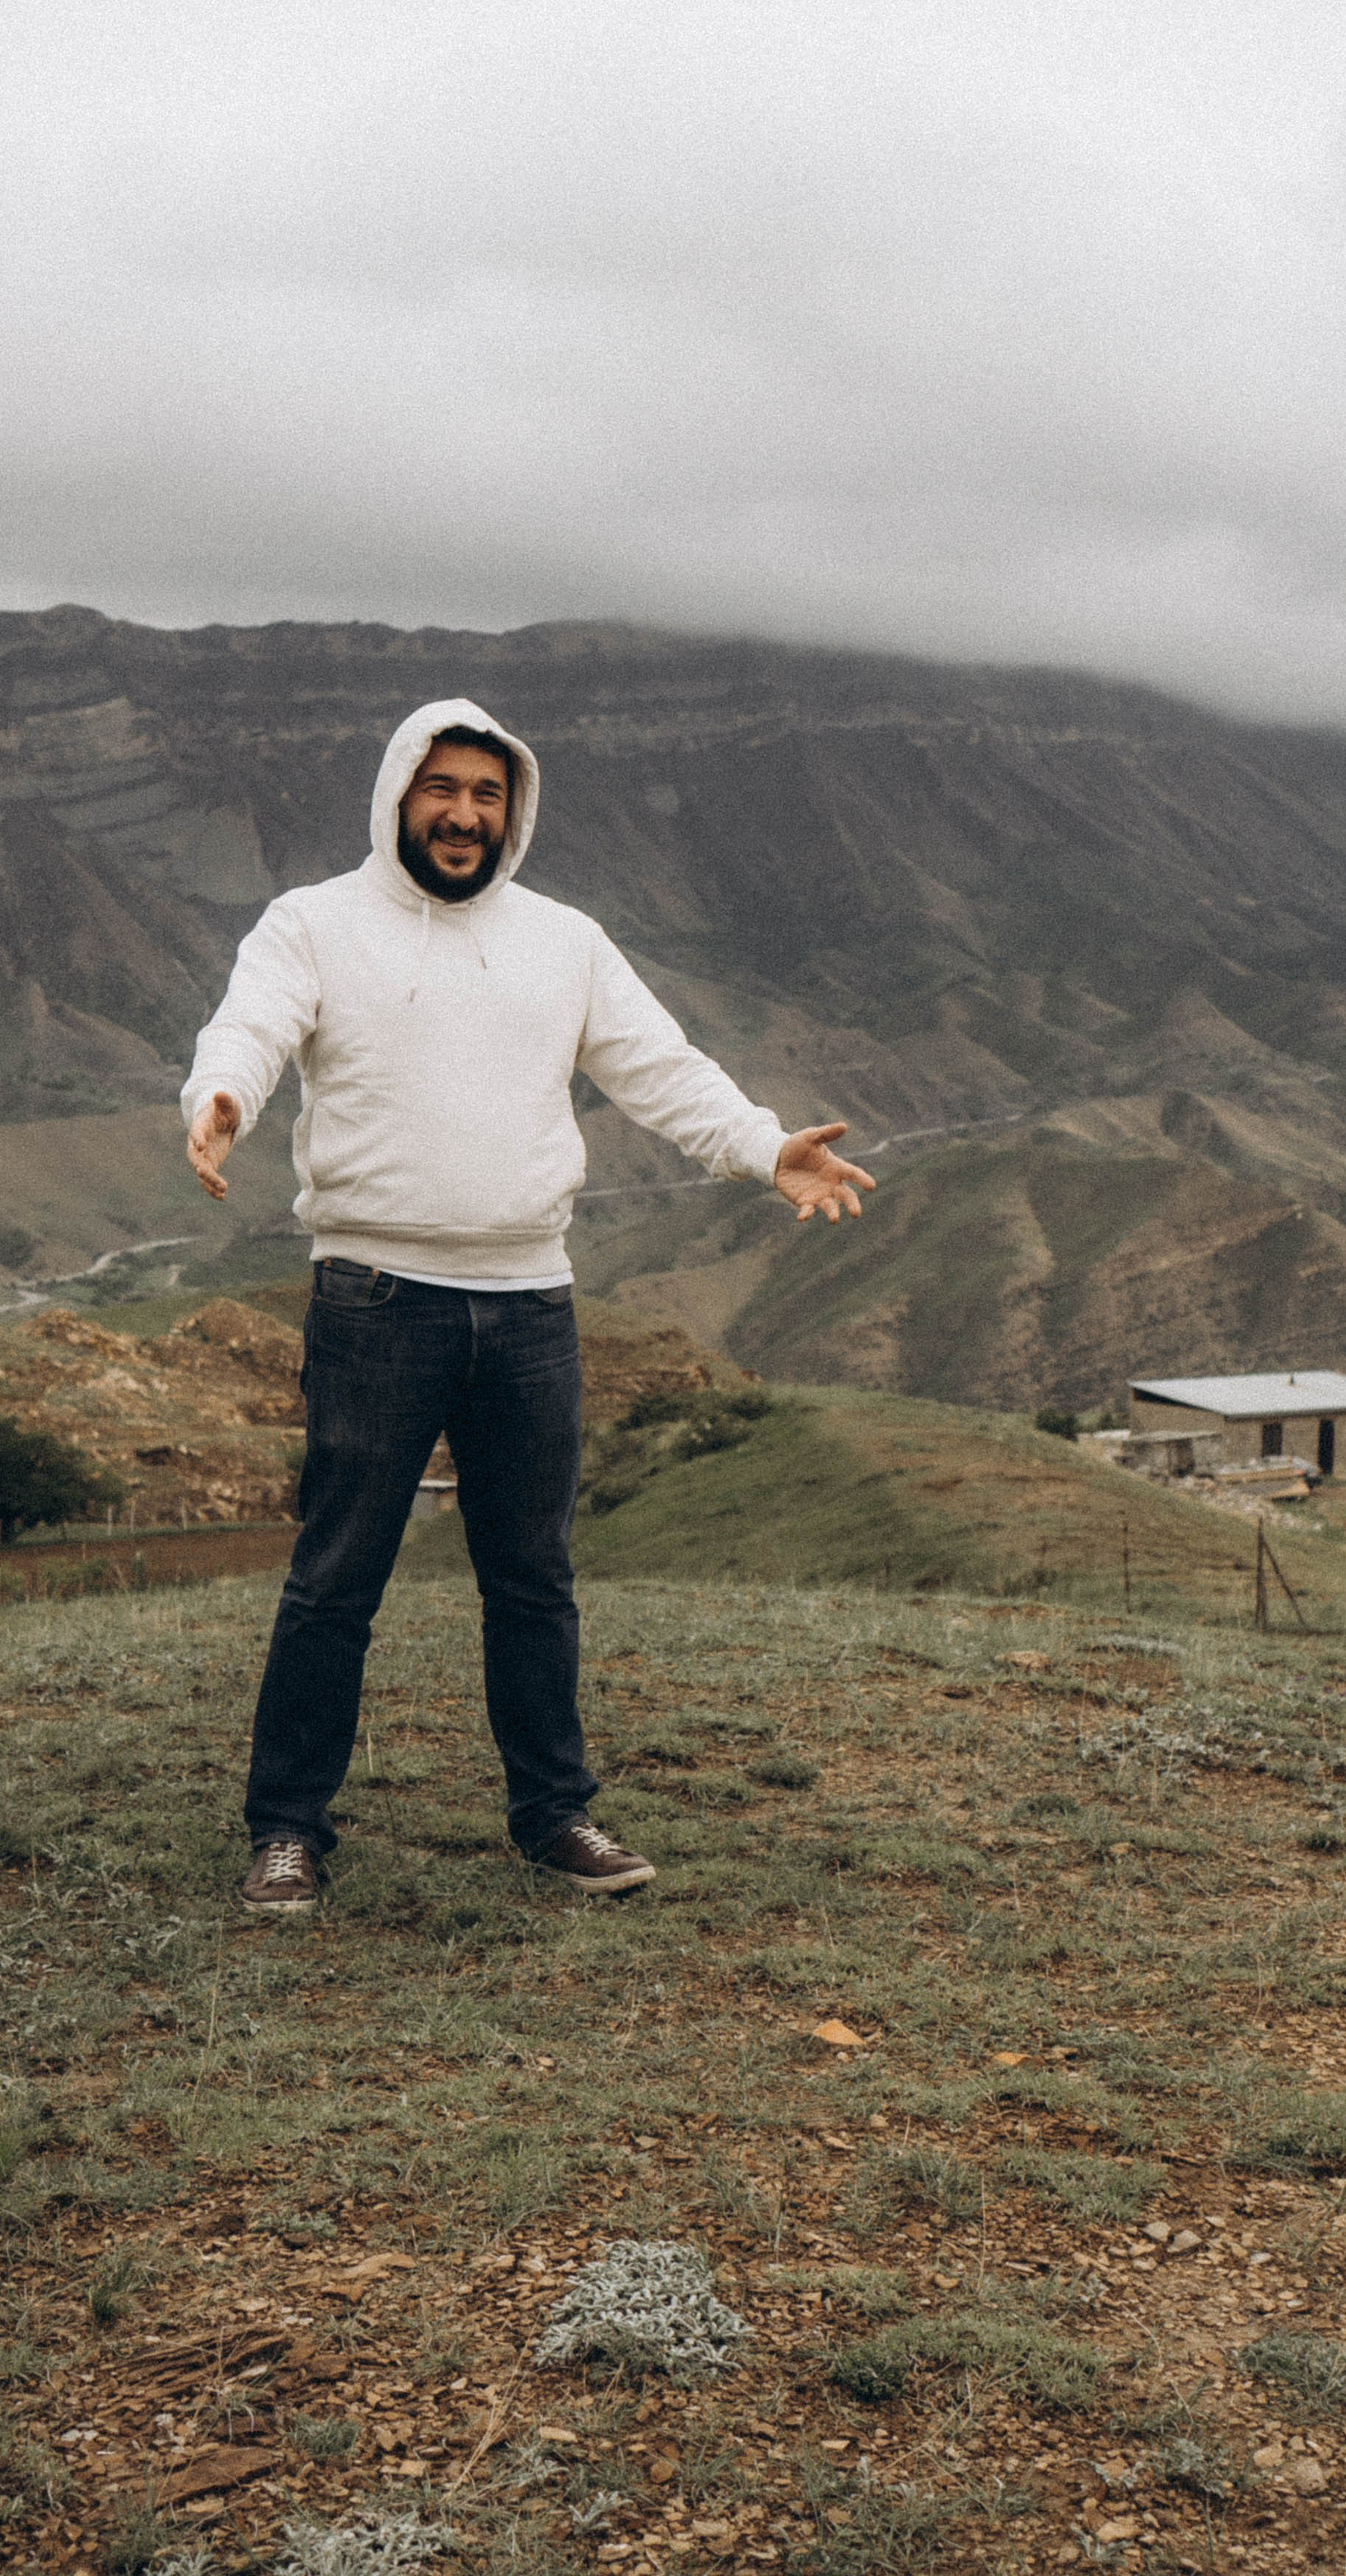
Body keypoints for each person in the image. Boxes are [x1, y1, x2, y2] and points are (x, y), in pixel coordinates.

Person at [182, 698, 871, 1915]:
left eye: (487, 795)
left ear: (515, 810)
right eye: (442, 789)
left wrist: (767, 1150)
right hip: (374, 1297)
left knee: (533, 1581)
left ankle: (555, 1816)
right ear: (400, 795)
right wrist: (222, 1096)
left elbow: (662, 1069)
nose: (463, 815)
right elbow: (252, 1027)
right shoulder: (313, 923)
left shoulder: (566, 941)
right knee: (336, 1579)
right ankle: (287, 1830)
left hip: (529, 1304)